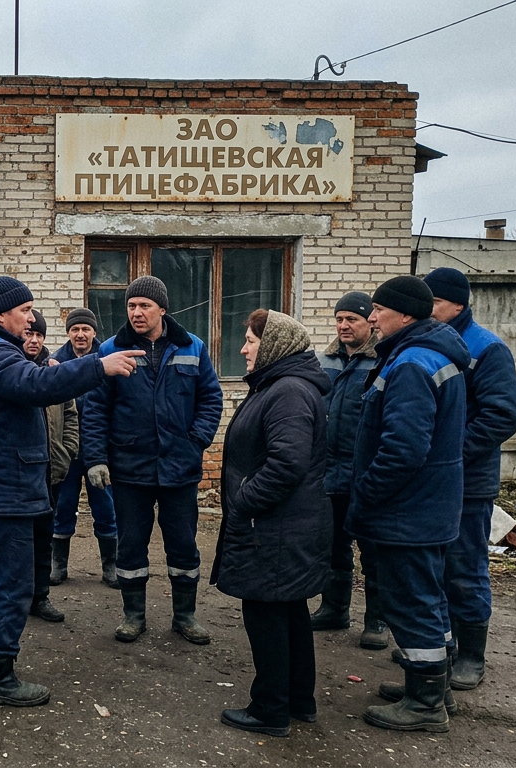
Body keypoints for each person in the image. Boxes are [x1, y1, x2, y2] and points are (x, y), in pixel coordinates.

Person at [0, 276, 142, 706]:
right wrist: (99, 366)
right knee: (7, 582)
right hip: (3, 489)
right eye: (25, 310)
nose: (30, 318)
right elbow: (36, 387)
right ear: (2, 313)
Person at [348, 275, 469, 733]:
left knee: (411, 601)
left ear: (405, 315)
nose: (373, 317)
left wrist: (367, 494)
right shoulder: (432, 355)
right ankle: (435, 686)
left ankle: (424, 703)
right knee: (430, 599)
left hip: (407, 511)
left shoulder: (412, 364)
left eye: (379, 310)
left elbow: (402, 450)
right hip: (429, 506)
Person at [81, 276, 224, 645]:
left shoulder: (192, 347)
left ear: (162, 309)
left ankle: (185, 616)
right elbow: (95, 409)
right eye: (131, 305)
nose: (136, 312)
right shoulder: (112, 350)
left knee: (183, 543)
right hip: (130, 468)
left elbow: (211, 398)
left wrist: (195, 442)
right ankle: (134, 616)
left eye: (144, 305)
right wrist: (95, 458)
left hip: (179, 467)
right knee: (131, 544)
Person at [212, 309, 333, 737]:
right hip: (285, 525)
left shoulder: (288, 391)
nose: (243, 349)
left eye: (250, 341)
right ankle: (298, 699)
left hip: (275, 529)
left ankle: (269, 709)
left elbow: (287, 463)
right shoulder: (280, 385)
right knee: (289, 611)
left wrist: (243, 501)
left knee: (266, 614)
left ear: (274, 346)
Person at [411, 268, 516, 691]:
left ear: (458, 304)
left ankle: (472, 655)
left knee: (465, 568)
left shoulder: (486, 348)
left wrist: (450, 454)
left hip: (468, 483)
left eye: (435, 302)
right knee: (433, 569)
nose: (429, 309)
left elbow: (502, 415)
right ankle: (441, 647)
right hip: (432, 481)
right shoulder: (429, 342)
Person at [312, 292, 389, 649]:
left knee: (374, 552)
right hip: (329, 473)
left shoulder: (382, 360)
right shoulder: (324, 360)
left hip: (366, 474)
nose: (343, 326)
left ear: (369, 322)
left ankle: (377, 620)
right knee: (332, 547)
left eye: (352, 319)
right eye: (339, 319)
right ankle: (334, 609)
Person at [49, 308, 119, 587]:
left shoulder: (106, 359)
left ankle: (111, 565)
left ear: (94, 332)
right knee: (63, 506)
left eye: (85, 329)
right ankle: (58, 564)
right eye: (75, 329)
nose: (80, 334)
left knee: (105, 505)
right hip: (67, 450)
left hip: (99, 449)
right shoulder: (56, 361)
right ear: (68, 333)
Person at [23, 310, 74, 623]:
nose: (34, 340)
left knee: (44, 538)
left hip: (50, 472)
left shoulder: (54, 370)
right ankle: (17, 598)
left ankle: (40, 597)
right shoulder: (13, 369)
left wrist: (67, 451)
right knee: (19, 541)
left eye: (39, 335)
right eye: (29, 334)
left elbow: (71, 414)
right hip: (22, 475)